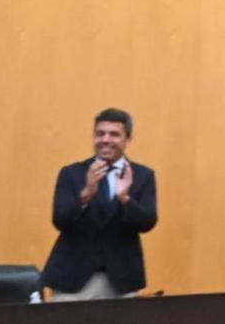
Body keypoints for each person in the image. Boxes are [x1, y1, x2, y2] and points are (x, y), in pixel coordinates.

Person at [42, 108, 158, 301]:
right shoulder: (72, 173)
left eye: (114, 134)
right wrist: (85, 195)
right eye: (100, 134)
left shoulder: (142, 175)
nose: (105, 139)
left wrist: (125, 198)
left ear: (127, 139)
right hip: (73, 278)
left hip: (122, 279)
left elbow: (147, 222)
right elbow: (60, 220)